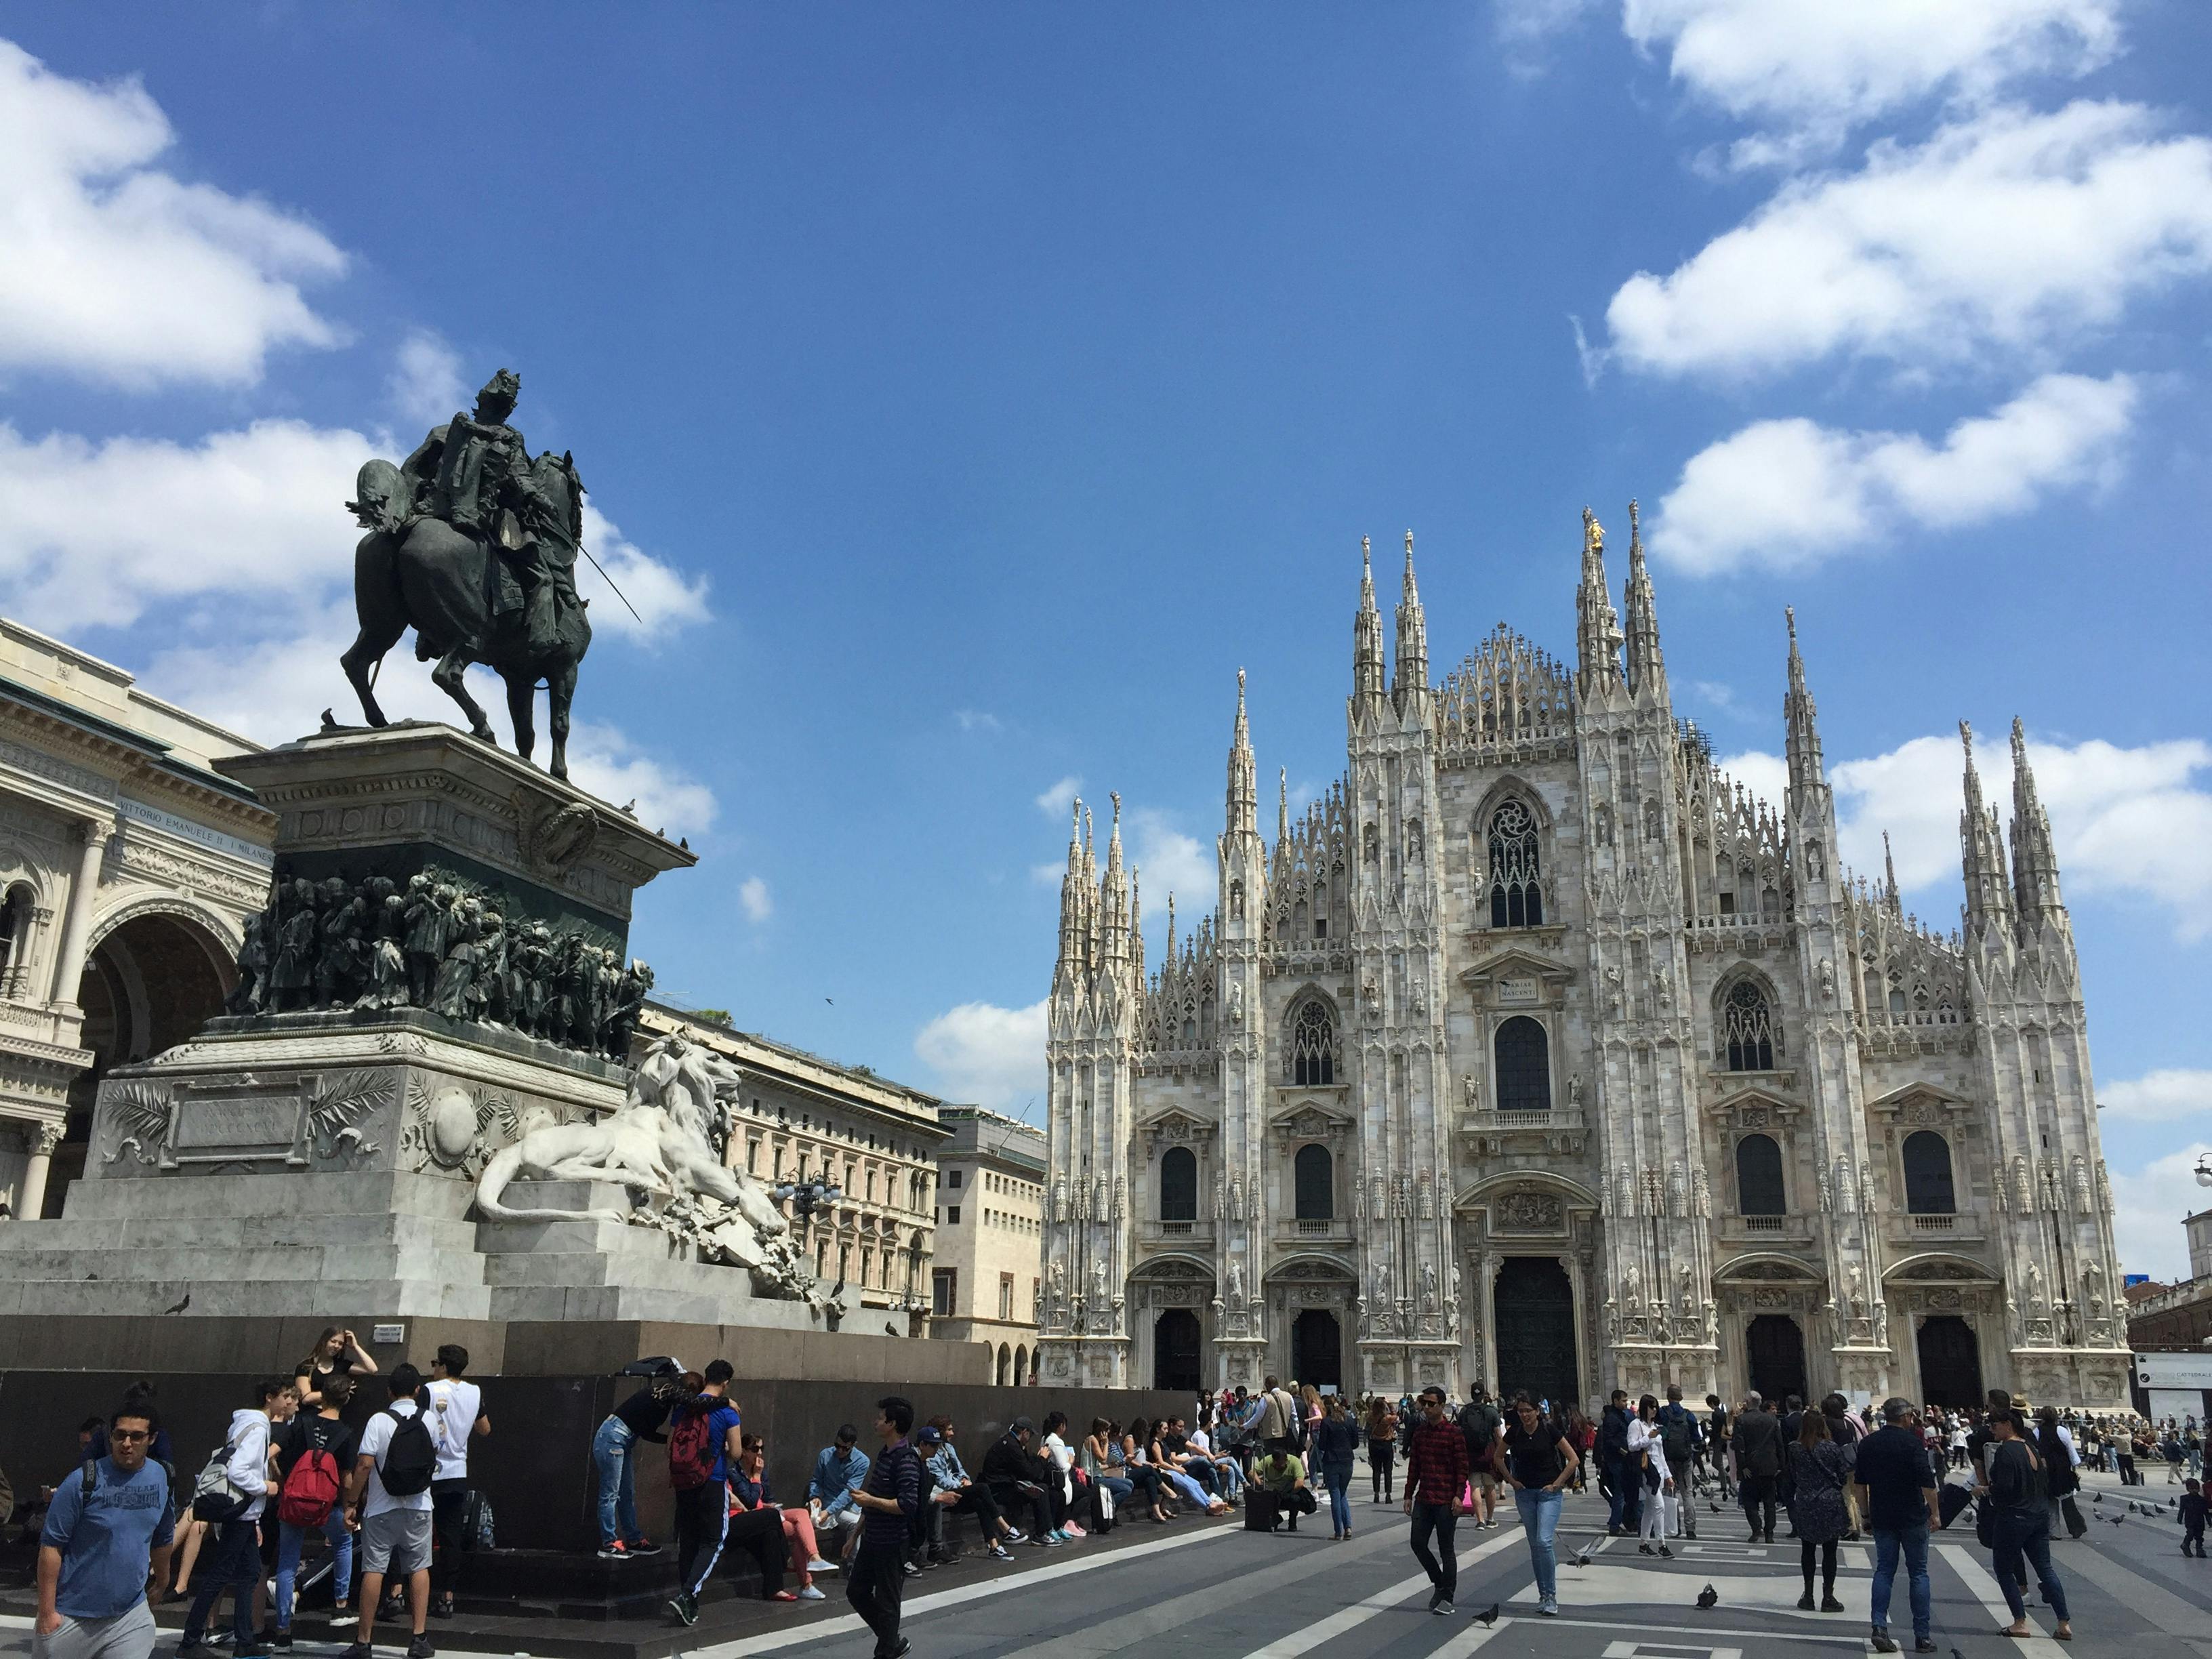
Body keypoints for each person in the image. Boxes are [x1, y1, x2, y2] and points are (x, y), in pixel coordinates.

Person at [36, 1397, 176, 1659]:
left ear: (152, 1439)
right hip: (72, 1617)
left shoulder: (162, 1478)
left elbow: (163, 1536)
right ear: (110, 1437)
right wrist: (47, 1614)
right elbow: (52, 1546)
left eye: (136, 1437)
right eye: (120, 1435)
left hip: (130, 1617)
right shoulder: (81, 1482)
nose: (126, 1444)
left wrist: (163, 1581)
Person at [340, 1366, 436, 1659]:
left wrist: (351, 1503)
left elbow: (365, 1464)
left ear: (389, 1392)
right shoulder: (430, 1419)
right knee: (419, 1567)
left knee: (374, 1569)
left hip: (382, 1507)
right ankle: (419, 1638)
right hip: (420, 1505)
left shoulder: (378, 1420)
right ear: (418, 1390)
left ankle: (364, 1641)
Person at [180, 1380, 280, 1658]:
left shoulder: (242, 1424)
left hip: (243, 1515)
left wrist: (256, 1519)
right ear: (270, 1399)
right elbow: (238, 1471)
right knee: (221, 1574)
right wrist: (266, 1488)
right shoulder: (258, 1428)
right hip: (240, 1515)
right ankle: (190, 1642)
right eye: (285, 1397)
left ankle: (244, 1641)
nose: (290, 1403)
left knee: (248, 1573)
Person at [272, 1373, 360, 1644]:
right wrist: (350, 1508)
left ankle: (283, 1630)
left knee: (287, 1561)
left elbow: (273, 1453)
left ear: (322, 1396)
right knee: (343, 1542)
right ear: (346, 1399)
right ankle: (341, 1606)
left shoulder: (301, 1422)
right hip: (326, 1505)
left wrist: (284, 1482)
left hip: (294, 1501)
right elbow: (346, 1479)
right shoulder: (345, 1433)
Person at [1853, 1397, 1939, 1656]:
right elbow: (1927, 1483)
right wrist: (1935, 1513)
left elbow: (1860, 1485)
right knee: (1919, 1574)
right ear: (1904, 1417)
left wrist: (1865, 1516)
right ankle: (1922, 1637)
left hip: (1882, 1516)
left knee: (1884, 1572)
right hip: (1912, 1516)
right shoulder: (1913, 1443)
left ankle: (1879, 1627)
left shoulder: (1868, 1443)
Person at [1979, 1409, 2071, 1642]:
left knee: (2003, 1569)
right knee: (2045, 1569)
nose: (1991, 1429)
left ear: (2008, 1424)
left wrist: (1985, 1491)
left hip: (2015, 1518)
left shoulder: (2006, 1451)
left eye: (1994, 1425)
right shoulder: (2031, 1447)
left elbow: (2005, 1488)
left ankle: (2019, 1622)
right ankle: (2063, 1624)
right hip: (2039, 1516)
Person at [665, 1362, 743, 1626]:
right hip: (713, 1480)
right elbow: (736, 1453)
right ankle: (687, 1594)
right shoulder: (728, 1411)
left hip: (684, 1481)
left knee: (688, 1541)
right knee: (713, 1541)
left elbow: (670, 1446)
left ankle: (688, 1601)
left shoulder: (686, 1405)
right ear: (726, 1383)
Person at [845, 1397, 920, 1659]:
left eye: (880, 1418)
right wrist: (854, 1534)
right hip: (873, 1538)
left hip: (892, 1541)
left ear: (892, 1424)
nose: (875, 1422)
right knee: (856, 1591)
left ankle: (887, 1650)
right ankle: (892, 1641)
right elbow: (874, 1497)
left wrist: (871, 1501)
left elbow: (907, 1504)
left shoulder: (907, 1459)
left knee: (888, 1601)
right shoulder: (885, 1454)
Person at [591, 1367, 684, 1559]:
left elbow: (644, 1430)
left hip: (617, 1439)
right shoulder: (657, 1401)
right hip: (613, 1439)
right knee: (611, 1494)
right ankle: (608, 1543)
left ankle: (633, 1539)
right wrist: (670, 1439)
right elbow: (646, 1431)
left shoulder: (656, 1397)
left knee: (626, 1492)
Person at [421, 1347, 486, 1621]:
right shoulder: (475, 1392)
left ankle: (399, 1591)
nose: (434, 1367)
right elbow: (485, 1429)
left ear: (444, 1366)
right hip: (457, 1471)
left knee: (416, 1534)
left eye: (436, 1363)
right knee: (451, 1536)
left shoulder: (429, 1390)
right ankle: (448, 1596)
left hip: (428, 1472)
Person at [1498, 1392, 1576, 1618]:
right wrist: (1511, 1480)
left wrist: (1558, 1484)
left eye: (1527, 1411)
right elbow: (1498, 1456)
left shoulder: (1549, 1430)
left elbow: (1573, 1459)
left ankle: (1551, 1596)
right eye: (1520, 1411)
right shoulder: (1516, 1432)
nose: (1523, 1415)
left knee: (1543, 1541)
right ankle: (1543, 1595)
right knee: (1535, 1545)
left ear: (1537, 1411)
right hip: (1525, 1495)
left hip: (1548, 1494)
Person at [733, 1433, 830, 1596]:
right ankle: (805, 1581)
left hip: (767, 1514)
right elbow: (750, 1502)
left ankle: (815, 1558)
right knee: (798, 1531)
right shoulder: (735, 1473)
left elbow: (768, 1497)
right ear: (743, 1451)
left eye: (762, 1448)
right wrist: (756, 1477)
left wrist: (769, 1503)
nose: (760, 1453)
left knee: (801, 1516)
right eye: (755, 1449)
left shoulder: (761, 1472)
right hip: (751, 1519)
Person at [1402, 1387, 1469, 1616]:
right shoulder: (1420, 1434)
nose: (1427, 1407)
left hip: (1446, 1500)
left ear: (1442, 1405)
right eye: (1425, 1403)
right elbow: (1414, 1467)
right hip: (1424, 1497)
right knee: (1417, 1543)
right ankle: (1440, 1582)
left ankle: (1447, 1597)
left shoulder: (1454, 1433)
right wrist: (1408, 1494)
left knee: (1446, 1549)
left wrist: (1459, 1495)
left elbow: (1462, 1468)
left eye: (1431, 1404)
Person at [1784, 1408, 1850, 1612]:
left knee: (1808, 1550)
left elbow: (1793, 1475)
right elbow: (1842, 1475)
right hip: (1829, 1501)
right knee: (1830, 1552)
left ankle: (1809, 1596)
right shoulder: (1832, 1447)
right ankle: (1828, 1597)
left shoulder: (1795, 1448)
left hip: (1806, 1501)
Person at [925, 1418, 1017, 1559]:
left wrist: (965, 1479)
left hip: (958, 1487)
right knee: (982, 1488)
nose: (952, 1433)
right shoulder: (931, 1454)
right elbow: (941, 1480)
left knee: (980, 1502)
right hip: (944, 1493)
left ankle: (994, 1546)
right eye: (949, 1430)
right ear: (939, 1432)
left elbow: (960, 1469)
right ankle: (1004, 1527)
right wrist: (960, 1484)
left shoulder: (949, 1448)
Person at [981, 1420, 1058, 1545]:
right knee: (1041, 1490)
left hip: (1005, 1485)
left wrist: (1037, 1460)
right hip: (999, 1490)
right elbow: (1030, 1474)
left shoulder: (1010, 1443)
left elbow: (1025, 1467)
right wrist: (1042, 1459)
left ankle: (1049, 1529)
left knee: (1046, 1490)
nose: (1030, 1438)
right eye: (1030, 1435)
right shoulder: (1012, 1447)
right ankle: (1041, 1534)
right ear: (1024, 1432)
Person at [808, 1425, 871, 1563]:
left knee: (866, 1522)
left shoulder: (862, 1462)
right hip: (829, 1502)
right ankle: (852, 1564)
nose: (840, 1450)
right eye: (838, 1446)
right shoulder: (825, 1455)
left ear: (854, 1445)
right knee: (856, 1523)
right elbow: (816, 1480)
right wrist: (815, 1496)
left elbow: (849, 1491)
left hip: (849, 1505)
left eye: (845, 1448)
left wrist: (829, 1511)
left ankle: (859, 1563)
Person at [1731, 1391, 1782, 1544]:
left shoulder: (1741, 1420)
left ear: (1747, 1402)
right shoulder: (1772, 1419)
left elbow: (1739, 1446)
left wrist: (1743, 1466)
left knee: (1749, 1500)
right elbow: (1779, 1444)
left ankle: (1756, 1528)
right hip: (1769, 1466)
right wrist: (1780, 1464)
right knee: (1769, 1501)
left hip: (1751, 1467)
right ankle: (1770, 1533)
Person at [1627, 1395, 1675, 1557]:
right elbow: (1632, 1446)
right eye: (1651, 1407)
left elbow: (1660, 1455)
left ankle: (1644, 1543)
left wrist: (1668, 1475)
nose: (1654, 1410)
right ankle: (1662, 1544)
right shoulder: (1636, 1425)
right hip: (1646, 1473)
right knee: (1659, 1506)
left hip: (1658, 1473)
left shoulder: (1655, 1426)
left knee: (1649, 1508)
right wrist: (1649, 1438)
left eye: (1656, 1407)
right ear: (1644, 1408)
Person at [1655, 1386, 1702, 1538]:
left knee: (1670, 1491)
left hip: (1668, 1457)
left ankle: (1675, 1527)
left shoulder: (1662, 1413)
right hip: (1685, 1457)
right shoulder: (1688, 1414)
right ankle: (1691, 1529)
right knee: (1688, 1493)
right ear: (1681, 1398)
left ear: (1668, 1397)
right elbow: (1697, 1438)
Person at [295, 1331, 379, 1410]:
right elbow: (306, 1399)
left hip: (334, 1416)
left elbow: (372, 1369)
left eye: (340, 1344)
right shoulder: (306, 1366)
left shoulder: (341, 1365)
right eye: (333, 1341)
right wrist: (338, 1392)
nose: (336, 1346)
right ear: (324, 1341)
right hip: (309, 1416)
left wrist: (355, 1347)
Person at [1311, 1396, 1358, 1540]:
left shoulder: (1326, 1422)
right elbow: (1355, 1443)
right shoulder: (1350, 1421)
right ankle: (1348, 1528)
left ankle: (1338, 1532)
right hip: (1347, 1461)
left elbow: (1322, 1445)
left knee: (1336, 1495)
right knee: (1343, 1494)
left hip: (1332, 1461)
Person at [1598, 1389, 1641, 1537]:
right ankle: (1616, 1525)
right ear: (1615, 1401)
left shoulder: (1623, 1415)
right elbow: (1609, 1440)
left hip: (1624, 1459)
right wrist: (1622, 1450)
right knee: (1621, 1493)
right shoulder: (1611, 1418)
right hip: (1617, 1460)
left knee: (1624, 1492)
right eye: (1623, 1401)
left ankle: (1623, 1523)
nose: (1626, 1403)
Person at [1457, 1388, 1501, 1530]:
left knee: (1475, 1486)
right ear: (1483, 1395)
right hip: (1488, 1451)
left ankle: (1480, 1520)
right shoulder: (1491, 1411)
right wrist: (1500, 1454)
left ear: (1471, 1394)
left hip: (1471, 1453)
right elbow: (1498, 1435)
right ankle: (1490, 1518)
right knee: (1490, 1485)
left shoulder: (1464, 1411)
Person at [1246, 1440, 1311, 1532]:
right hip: (1271, 1491)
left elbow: (1300, 1483)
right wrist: (1260, 1484)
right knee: (1262, 1496)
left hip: (1287, 1491)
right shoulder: (1268, 1460)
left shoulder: (1294, 1462)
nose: (1278, 1466)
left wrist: (1288, 1493)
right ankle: (1275, 1519)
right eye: (1276, 1464)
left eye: (1280, 1464)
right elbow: (1251, 1473)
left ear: (1286, 1460)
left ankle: (1292, 1522)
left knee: (1296, 1499)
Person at [1365, 1397, 1399, 1505]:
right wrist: (1389, 1404)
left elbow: (1368, 1417)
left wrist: (1373, 1406)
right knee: (1388, 1471)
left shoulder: (1371, 1417)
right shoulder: (1387, 1418)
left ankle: (1376, 1494)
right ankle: (1388, 1495)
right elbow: (1396, 1416)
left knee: (1376, 1470)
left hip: (1374, 1445)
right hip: (1386, 1444)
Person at [2180, 1477, 2207, 1558]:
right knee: (2190, 1533)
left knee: (2199, 1535)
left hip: (2199, 1521)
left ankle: (2199, 1549)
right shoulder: (2185, 1499)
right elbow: (2182, 1510)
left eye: (2196, 1488)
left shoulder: (2202, 1500)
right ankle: (2186, 1545)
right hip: (2190, 1520)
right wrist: (2179, 1518)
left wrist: (2209, 1521)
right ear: (2188, 1489)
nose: (2195, 1490)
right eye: (2192, 1488)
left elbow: (2205, 1512)